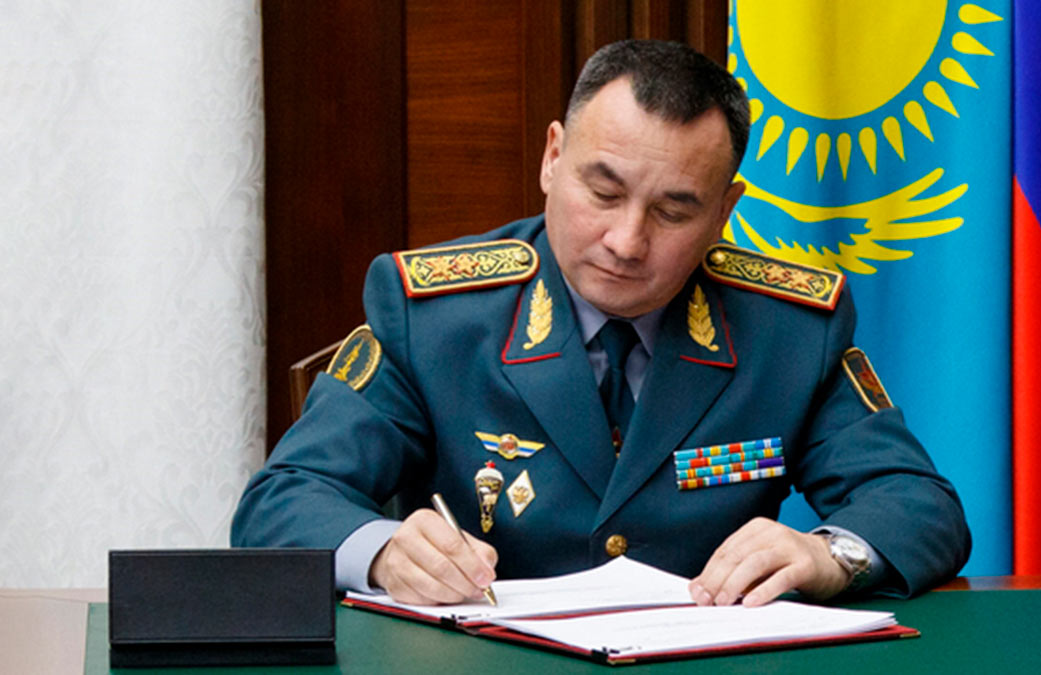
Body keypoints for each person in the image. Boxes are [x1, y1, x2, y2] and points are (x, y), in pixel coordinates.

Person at [232, 39, 970, 607]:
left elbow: (920, 505)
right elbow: (282, 501)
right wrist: (386, 551)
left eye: (673, 211)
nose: (626, 240)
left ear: (725, 211)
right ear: (554, 158)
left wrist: (830, 555)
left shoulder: (788, 330)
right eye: (603, 191)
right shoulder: (434, 316)